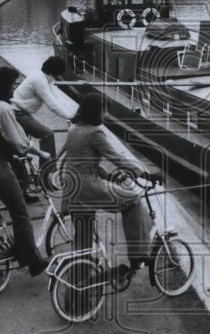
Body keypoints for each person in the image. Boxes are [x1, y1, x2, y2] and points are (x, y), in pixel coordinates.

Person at [61, 93, 162, 281]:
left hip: (73, 189)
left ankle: (76, 293)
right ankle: (138, 255)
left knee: (82, 244)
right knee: (132, 200)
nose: (105, 114)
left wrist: (109, 178)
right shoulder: (94, 132)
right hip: (87, 187)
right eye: (104, 110)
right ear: (97, 111)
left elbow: (84, 162)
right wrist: (145, 174)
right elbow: (117, 158)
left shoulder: (73, 129)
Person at [0, 66, 51, 274]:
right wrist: (41, 154)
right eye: (13, 85)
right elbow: (20, 142)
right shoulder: (4, 109)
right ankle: (33, 261)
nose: (14, 90)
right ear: (3, 86)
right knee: (20, 213)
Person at [11, 56, 76, 159]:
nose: (58, 77)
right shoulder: (39, 80)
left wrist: (71, 113)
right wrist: (70, 117)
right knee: (47, 134)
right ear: (53, 72)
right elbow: (51, 104)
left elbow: (56, 98)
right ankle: (47, 171)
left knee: (22, 148)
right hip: (17, 113)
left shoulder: (44, 78)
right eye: (57, 74)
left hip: (21, 112)